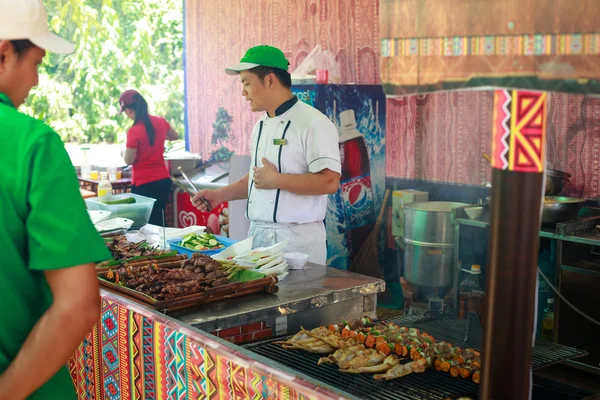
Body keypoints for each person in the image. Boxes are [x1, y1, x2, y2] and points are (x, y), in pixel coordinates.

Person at [0, 0, 111, 398]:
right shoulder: (31, 144)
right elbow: (78, 305)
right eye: (37, 63)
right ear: (4, 53)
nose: (36, 80)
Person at [192, 45, 341, 265]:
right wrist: (219, 195)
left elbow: (329, 181)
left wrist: (277, 180)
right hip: (258, 237)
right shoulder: (260, 125)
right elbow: (257, 179)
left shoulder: (313, 123)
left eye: (246, 83)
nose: (243, 92)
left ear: (270, 80)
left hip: (297, 243)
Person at [120, 89, 179, 225]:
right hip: (162, 181)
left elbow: (128, 160)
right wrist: (158, 140)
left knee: (145, 224)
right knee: (159, 220)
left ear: (129, 111)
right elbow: (174, 136)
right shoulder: (160, 122)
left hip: (143, 184)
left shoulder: (134, 131)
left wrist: (123, 153)